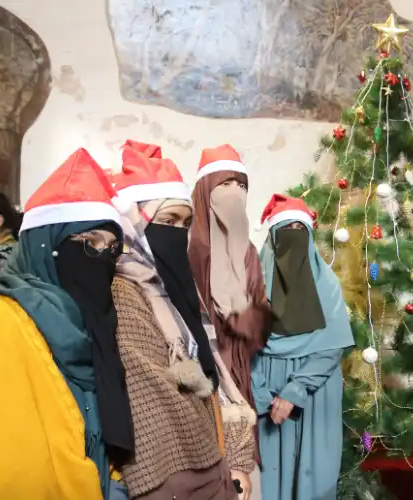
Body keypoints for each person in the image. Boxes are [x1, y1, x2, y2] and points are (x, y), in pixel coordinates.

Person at [0, 148, 133, 499]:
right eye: (89, 242)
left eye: (111, 248)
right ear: (44, 247)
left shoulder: (96, 325)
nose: (102, 259)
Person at [110, 140, 254, 499]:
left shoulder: (175, 286)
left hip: (209, 467)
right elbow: (154, 402)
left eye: (185, 222)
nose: (177, 232)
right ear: (133, 223)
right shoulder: (122, 293)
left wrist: (233, 460)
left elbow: (213, 374)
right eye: (167, 221)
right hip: (175, 477)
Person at [251, 194, 354, 500]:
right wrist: (261, 393)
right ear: (272, 238)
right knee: (267, 481)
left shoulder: (327, 285)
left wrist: (294, 391)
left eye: (300, 229)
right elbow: (242, 347)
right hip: (265, 394)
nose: (293, 236)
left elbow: (332, 346)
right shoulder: (252, 286)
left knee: (313, 480)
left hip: (314, 394)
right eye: (286, 229)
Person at [188, 144, 272, 493]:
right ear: (205, 191)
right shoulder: (186, 247)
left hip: (241, 376)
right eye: (225, 184)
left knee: (241, 480)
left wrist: (249, 319)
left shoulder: (248, 252)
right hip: (198, 379)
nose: (235, 193)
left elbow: (260, 322)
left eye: (242, 185)